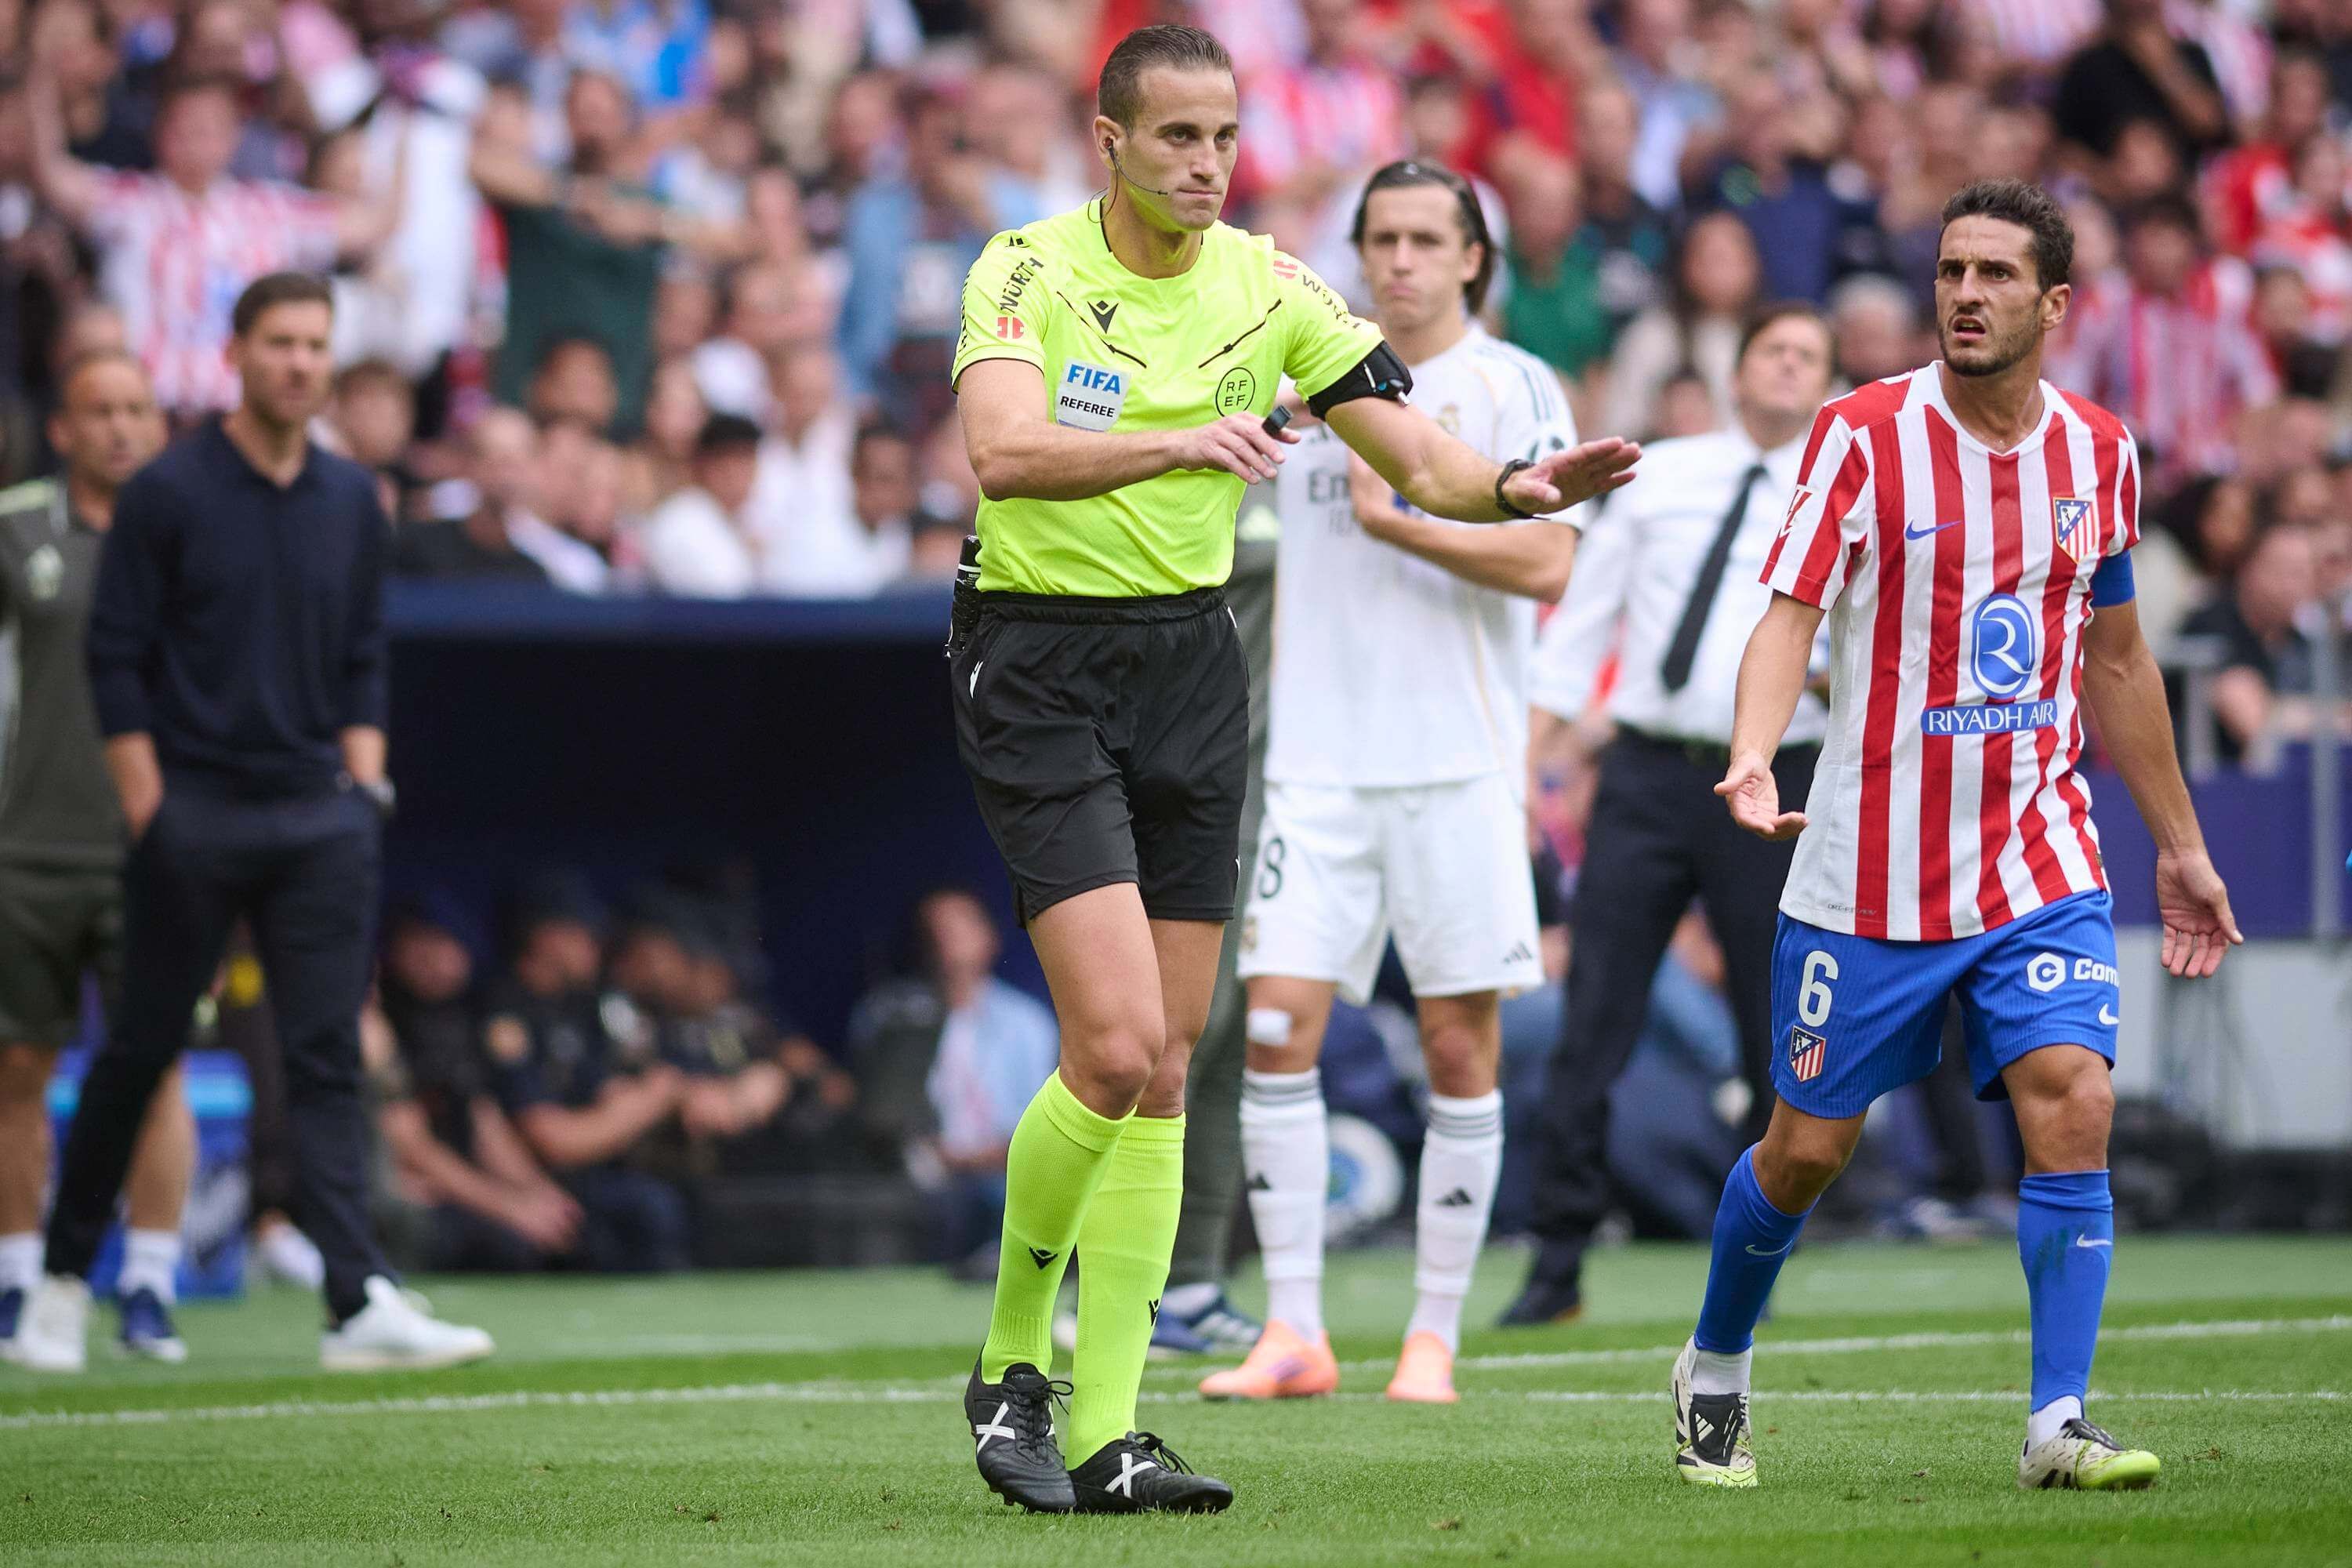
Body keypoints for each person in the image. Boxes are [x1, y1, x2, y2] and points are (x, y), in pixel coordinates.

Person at [948, 25, 1636, 1516]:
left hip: (1193, 667)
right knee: (1116, 1043)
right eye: (1177, 137)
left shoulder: (1277, 287)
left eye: (1224, 137)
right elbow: (1002, 453)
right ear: (1110, 140)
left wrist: (1518, 486)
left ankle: (1108, 1433)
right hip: (1040, 657)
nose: (1209, 164)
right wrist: (1183, 441)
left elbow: (1422, 460)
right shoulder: (1024, 268)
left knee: (1164, 1067)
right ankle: (1011, 1362)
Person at [1671, 180, 2241, 1494]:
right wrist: (1753, 752)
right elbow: (1788, 615)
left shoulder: (2101, 453)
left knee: (2075, 1096)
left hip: (2036, 852)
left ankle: (2058, 1422)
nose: (1965, 294)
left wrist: (2180, 844)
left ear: (2055, 304)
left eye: (1995, 274)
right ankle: (1716, 1363)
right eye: (1950, 271)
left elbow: (2116, 659)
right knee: (1807, 1151)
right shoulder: (1862, 436)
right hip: (1866, 872)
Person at [17, 273, 492, 1374]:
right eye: (279, 342)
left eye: (315, 344)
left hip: (318, 821)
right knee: (140, 1054)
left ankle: (353, 1299)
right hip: (192, 816)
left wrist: (362, 788)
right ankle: (59, 1285)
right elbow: (114, 657)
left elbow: (364, 657)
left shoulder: (351, 498)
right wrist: (152, 807)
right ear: (235, 354)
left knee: (326, 1059)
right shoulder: (169, 491)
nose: (298, 362)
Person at [1200, 158, 1584, 1408]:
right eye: (1383, 239)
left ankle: (1433, 1336)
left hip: (1458, 766)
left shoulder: (1513, 384)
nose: (1403, 261)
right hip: (1314, 767)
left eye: (1427, 239)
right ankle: (1294, 1330)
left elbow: (1549, 564)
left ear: (1474, 259)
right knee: (1275, 1027)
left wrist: (1403, 518)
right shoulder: (1302, 377)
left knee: (1460, 1044)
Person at [1498, 303, 1838, 1329]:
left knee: (1771, 1031)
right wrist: (1533, 759)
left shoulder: (1847, 496)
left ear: (1827, 386)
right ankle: (1556, 1262)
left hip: (1775, 776)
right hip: (1646, 771)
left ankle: (1753, 1264)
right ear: (1738, 372)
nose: (1789, 368)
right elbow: (1583, 620)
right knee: (1594, 1015)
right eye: (1774, 351)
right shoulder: (1665, 474)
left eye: (1808, 357)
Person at [0, 351, 194, 1368]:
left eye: (136, 408)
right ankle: (16, 1275)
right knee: (18, 1067)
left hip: (156, 851)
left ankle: (150, 1283)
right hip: (24, 848)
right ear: (63, 428)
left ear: (158, 423)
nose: (120, 426)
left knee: (156, 1065)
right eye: (100, 410)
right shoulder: (14, 526)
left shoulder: (194, 529)